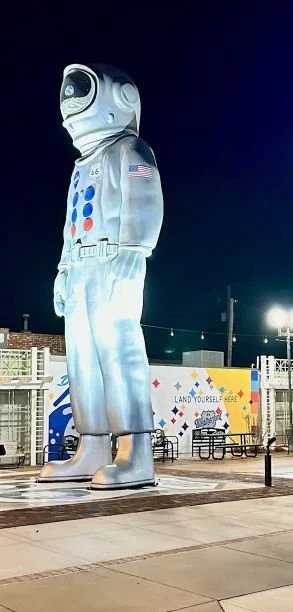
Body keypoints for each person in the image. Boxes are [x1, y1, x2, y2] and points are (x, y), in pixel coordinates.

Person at [38, 64, 163, 489]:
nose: (70, 109)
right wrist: (62, 270)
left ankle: (136, 453)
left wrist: (134, 249)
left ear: (120, 100)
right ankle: (92, 445)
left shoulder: (131, 151)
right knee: (82, 359)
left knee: (118, 351)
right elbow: (70, 225)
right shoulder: (82, 165)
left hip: (114, 261)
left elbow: (145, 199)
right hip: (79, 271)